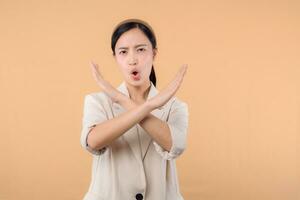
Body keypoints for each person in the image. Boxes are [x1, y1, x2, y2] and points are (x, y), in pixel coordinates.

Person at [80, 18, 189, 200]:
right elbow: (93, 141)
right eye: (123, 52)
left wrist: (127, 100)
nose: (132, 60)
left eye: (141, 50)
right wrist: (144, 105)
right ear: (115, 57)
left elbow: (175, 145)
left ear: (154, 54)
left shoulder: (175, 106)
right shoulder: (97, 101)